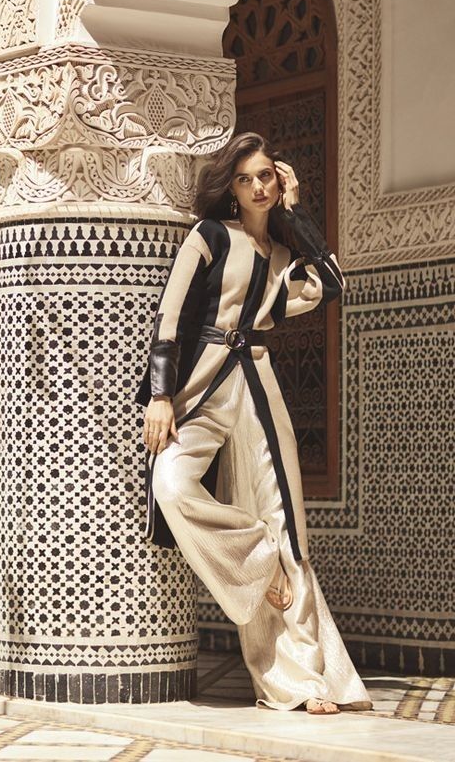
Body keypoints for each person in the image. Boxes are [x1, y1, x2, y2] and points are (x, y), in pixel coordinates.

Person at [135, 132, 372, 715]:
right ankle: (256, 560)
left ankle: (304, 682)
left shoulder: (284, 260)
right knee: (170, 484)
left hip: (260, 391)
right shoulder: (209, 237)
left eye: (267, 176)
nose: (259, 187)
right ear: (231, 189)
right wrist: (161, 395)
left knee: (288, 525)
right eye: (247, 179)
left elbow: (333, 285)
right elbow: (170, 315)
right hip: (200, 389)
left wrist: (298, 209)